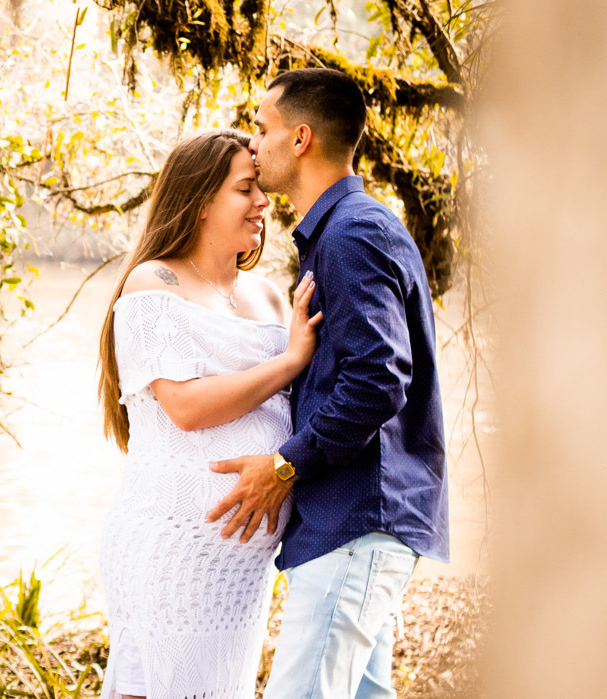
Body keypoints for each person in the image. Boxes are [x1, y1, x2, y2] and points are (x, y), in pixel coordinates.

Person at [206, 69, 449, 698]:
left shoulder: (351, 234)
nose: (253, 145)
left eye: (263, 129)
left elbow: (378, 379)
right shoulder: (345, 231)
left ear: (301, 138)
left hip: (357, 520)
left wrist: (283, 466)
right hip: (356, 525)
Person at [96, 129, 322, 699]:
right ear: (200, 202)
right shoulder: (155, 281)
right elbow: (187, 407)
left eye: (261, 188)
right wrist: (292, 360)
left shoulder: (272, 296)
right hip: (169, 549)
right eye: (246, 189)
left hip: (238, 571)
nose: (264, 202)